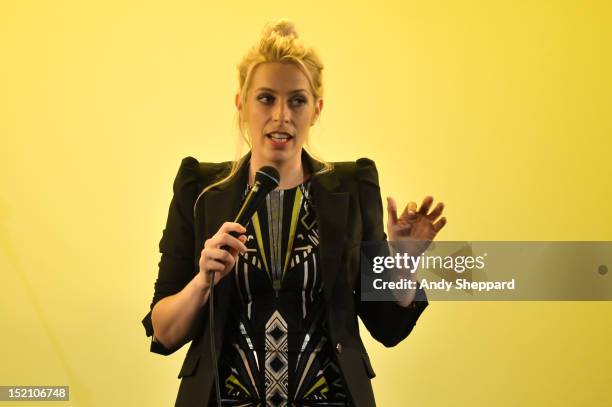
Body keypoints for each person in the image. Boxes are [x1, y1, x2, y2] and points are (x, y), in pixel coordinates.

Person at [141, 19, 446, 407]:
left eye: (297, 100)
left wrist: (402, 264)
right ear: (242, 103)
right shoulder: (201, 191)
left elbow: (387, 328)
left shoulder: (352, 189)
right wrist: (202, 281)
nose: (282, 114)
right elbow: (164, 333)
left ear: (316, 109)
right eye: (266, 98)